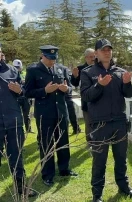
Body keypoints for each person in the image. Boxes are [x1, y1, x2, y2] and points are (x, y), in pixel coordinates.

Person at [80, 39, 132, 202]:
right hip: (99, 124)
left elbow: (128, 93)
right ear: (96, 53)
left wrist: (127, 84)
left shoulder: (119, 72)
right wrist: (99, 85)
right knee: (99, 161)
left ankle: (124, 186)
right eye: (103, 49)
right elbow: (86, 96)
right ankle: (97, 195)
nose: (107, 52)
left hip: (119, 122)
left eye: (109, 49)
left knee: (121, 158)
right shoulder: (88, 73)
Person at [24, 45, 78, 186]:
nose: (52, 61)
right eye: (49, 58)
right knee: (46, 144)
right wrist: (44, 90)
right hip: (45, 113)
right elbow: (27, 92)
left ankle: (64, 169)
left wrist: (67, 89)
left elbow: (70, 86)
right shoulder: (33, 70)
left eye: (54, 59)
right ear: (43, 55)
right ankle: (47, 174)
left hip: (61, 112)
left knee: (63, 142)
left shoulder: (61, 68)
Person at [0, 52, 37, 197]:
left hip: (13, 122)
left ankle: (21, 188)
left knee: (16, 157)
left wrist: (20, 90)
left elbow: (25, 92)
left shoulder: (12, 70)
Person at [71, 48, 95, 140]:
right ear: (86, 58)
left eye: (94, 56)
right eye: (90, 57)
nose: (93, 59)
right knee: (88, 123)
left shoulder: (99, 67)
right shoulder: (80, 69)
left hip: (99, 101)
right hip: (87, 101)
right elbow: (75, 84)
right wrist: (75, 76)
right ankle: (89, 142)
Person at [13, 59, 33, 133]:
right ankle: (17, 130)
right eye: (16, 67)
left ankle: (28, 129)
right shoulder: (12, 74)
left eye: (18, 67)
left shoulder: (25, 73)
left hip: (25, 97)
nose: (17, 69)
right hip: (16, 97)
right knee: (16, 114)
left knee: (26, 114)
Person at [65, 67, 81, 135]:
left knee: (72, 113)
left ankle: (76, 128)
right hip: (56, 97)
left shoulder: (64, 70)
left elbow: (71, 83)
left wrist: (74, 76)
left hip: (67, 96)